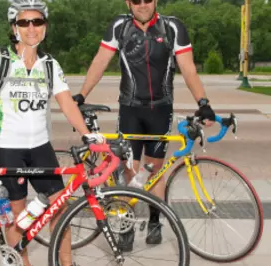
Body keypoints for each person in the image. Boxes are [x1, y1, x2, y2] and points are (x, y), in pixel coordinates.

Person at [0, 0, 104, 265]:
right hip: (5, 148)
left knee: (59, 210)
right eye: (24, 22)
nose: (31, 28)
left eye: (37, 22)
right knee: (18, 220)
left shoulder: (50, 65)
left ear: (45, 27)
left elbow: (66, 103)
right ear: (14, 28)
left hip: (41, 147)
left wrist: (88, 134)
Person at [72, 0, 215, 251]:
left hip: (161, 108)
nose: (142, 5)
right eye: (136, 0)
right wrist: (81, 95)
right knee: (130, 170)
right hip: (130, 108)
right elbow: (100, 62)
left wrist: (203, 102)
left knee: (156, 169)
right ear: (128, 2)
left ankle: (154, 221)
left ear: (155, 1)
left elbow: (188, 68)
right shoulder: (120, 26)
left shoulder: (172, 27)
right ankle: (126, 223)